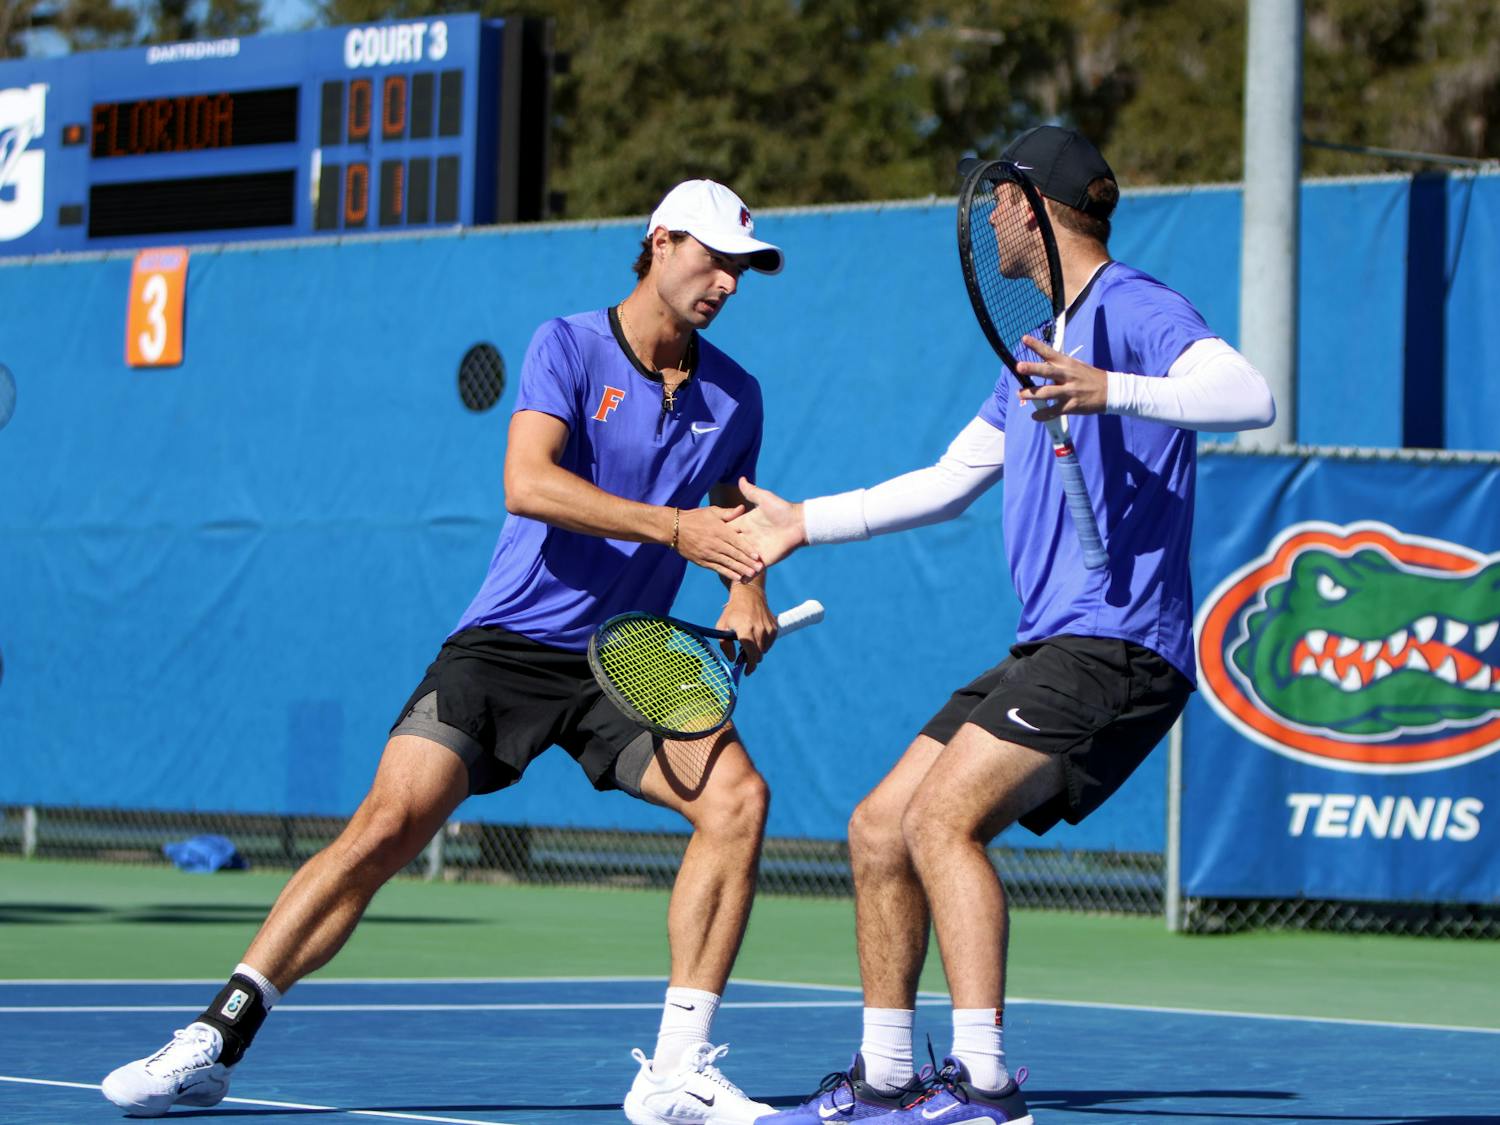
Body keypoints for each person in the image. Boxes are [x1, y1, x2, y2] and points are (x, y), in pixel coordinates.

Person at [102, 179, 790, 1125]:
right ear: (660, 241)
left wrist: (746, 584)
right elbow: (528, 482)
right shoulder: (570, 345)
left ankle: (674, 1072)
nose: (728, 282)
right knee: (384, 827)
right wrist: (675, 531)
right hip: (507, 643)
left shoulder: (736, 394)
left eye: (741, 269)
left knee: (738, 800)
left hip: (628, 658)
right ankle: (214, 1039)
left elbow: (731, 513)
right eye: (713, 258)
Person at [736, 126, 1276, 1124]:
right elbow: (947, 484)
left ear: (1033, 204)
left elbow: (1250, 394)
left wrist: (1113, 389)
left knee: (945, 820)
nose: (985, 214)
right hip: (1049, 645)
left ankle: (983, 1085)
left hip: (1117, 645)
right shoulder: (1035, 349)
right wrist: (798, 525)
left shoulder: (1133, 307)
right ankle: (887, 1077)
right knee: (879, 828)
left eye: (995, 196)